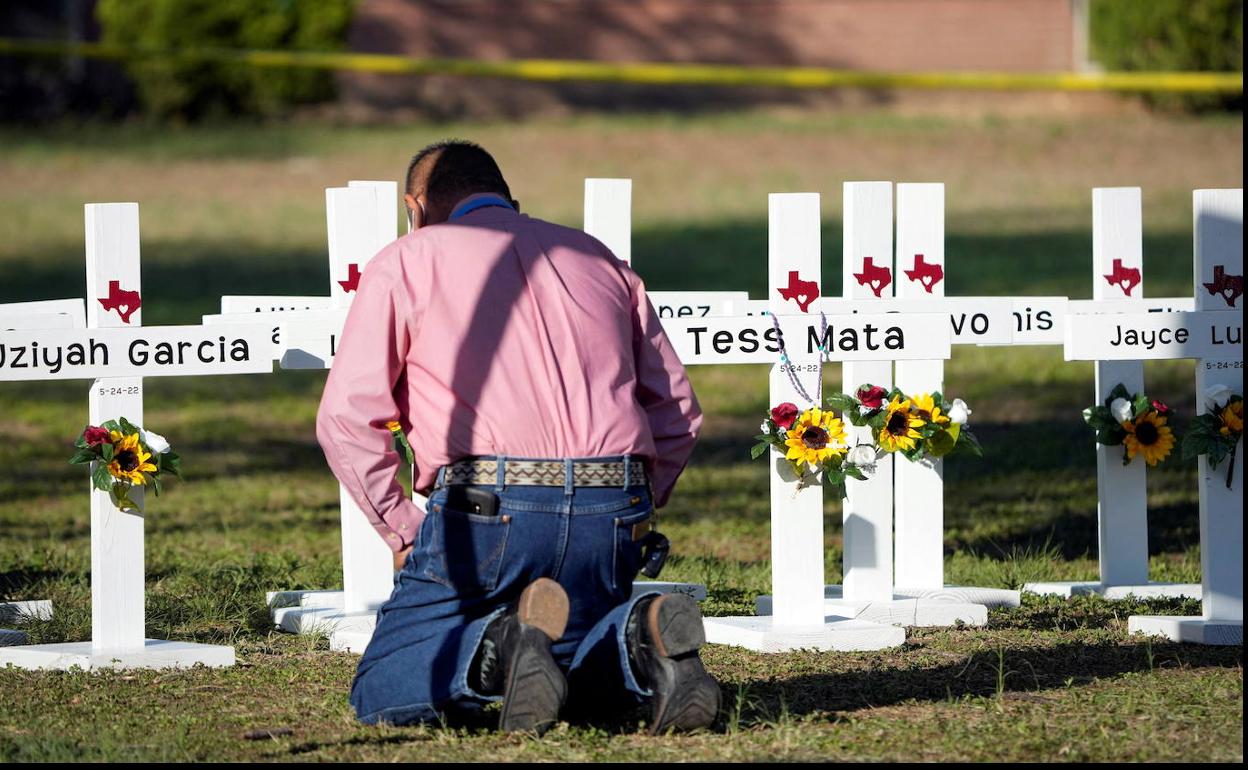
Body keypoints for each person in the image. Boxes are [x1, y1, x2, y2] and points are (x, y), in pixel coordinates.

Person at [314, 139, 719, 734]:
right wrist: (641, 500)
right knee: (566, 660)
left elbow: (347, 417)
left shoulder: (408, 257)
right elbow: (677, 408)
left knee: (382, 683)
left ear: (416, 206)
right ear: (511, 202)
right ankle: (642, 644)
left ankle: (498, 648)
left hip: (489, 503)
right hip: (613, 498)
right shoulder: (596, 257)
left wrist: (400, 525)